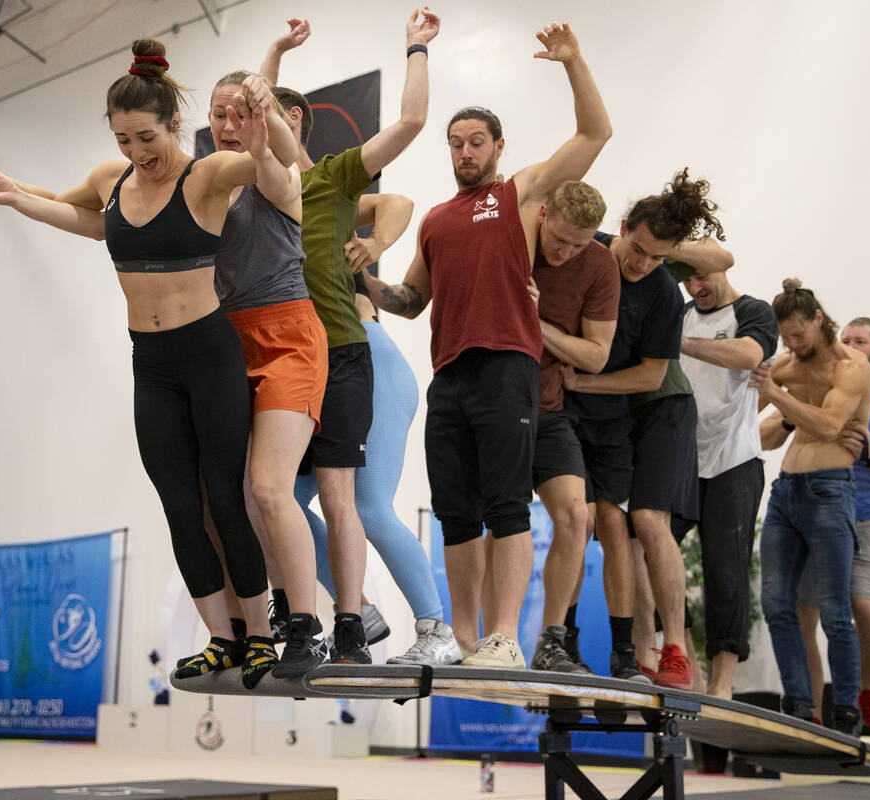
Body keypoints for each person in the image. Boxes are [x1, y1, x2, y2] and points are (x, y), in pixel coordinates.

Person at [0, 41, 297, 687]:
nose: (137, 153)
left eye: (147, 138)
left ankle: (262, 636)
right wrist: (8, 192)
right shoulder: (113, 179)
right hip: (151, 363)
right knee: (178, 505)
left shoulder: (209, 175)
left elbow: (279, 184)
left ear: (174, 126)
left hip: (209, 353)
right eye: (124, 139)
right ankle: (221, 637)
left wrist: (262, 138)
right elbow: (81, 214)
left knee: (225, 499)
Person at [366, 21, 612, 667]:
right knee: (455, 514)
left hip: (508, 363)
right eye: (456, 143)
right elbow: (412, 300)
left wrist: (572, 60)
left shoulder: (519, 193)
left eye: (476, 141)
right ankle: (463, 640)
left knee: (507, 505)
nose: (465, 151)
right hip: (449, 374)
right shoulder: (436, 219)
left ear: (498, 146)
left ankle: (504, 638)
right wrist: (363, 277)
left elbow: (594, 136)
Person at [256, 8, 445, 664]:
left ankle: (430, 629)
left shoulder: (324, 180)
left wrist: (374, 245)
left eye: (267, 118)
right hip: (297, 363)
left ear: (294, 125)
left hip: (360, 354)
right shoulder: (252, 194)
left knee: (363, 505)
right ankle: (351, 608)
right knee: (269, 496)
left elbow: (399, 184)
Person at [560, 168, 727, 689]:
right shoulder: (589, 251)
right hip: (606, 412)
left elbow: (652, 373)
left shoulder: (660, 287)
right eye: (639, 249)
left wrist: (583, 382)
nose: (644, 263)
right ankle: (624, 649)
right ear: (624, 226)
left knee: (647, 524)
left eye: (660, 257)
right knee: (602, 525)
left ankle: (671, 648)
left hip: (657, 406)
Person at [205, 70, 334, 679]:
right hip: (226, 344)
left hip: (287, 338)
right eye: (218, 115)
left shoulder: (276, 178)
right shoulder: (201, 183)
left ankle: (309, 628)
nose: (228, 126)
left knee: (269, 488)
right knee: (230, 499)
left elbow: (276, 165)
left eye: (241, 114)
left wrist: (264, 132)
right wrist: (16, 192)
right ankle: (265, 619)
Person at [764, 317, 870, 737]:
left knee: (864, 609)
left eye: (861, 341)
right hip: (807, 507)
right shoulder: (815, 382)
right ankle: (811, 713)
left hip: (865, 515)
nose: (851, 346)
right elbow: (766, 437)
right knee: (801, 612)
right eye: (847, 339)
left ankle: (867, 698)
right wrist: (785, 406)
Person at [750, 280, 870, 736]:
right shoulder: (789, 364)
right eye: (786, 337)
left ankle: (845, 708)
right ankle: (799, 704)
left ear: (819, 320)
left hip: (830, 490)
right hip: (786, 493)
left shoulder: (851, 367)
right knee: (777, 604)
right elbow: (751, 410)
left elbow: (827, 425)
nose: (793, 345)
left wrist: (777, 395)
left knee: (835, 611)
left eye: (799, 335)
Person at [525, 180, 618, 673]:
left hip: (550, 408)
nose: (564, 252)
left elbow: (597, 356)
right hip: (495, 405)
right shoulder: (516, 237)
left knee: (578, 518)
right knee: (502, 522)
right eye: (559, 239)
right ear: (542, 215)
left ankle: (552, 640)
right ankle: (492, 636)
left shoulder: (600, 263)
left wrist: (538, 322)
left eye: (578, 244)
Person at [674, 263, 777, 700]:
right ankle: (687, 666)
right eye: (688, 281)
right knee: (646, 551)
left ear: (720, 269)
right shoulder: (677, 313)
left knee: (726, 571)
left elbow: (748, 355)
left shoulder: (754, 311)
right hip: (679, 460)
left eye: (703, 278)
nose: (696, 288)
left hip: (734, 460)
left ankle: (722, 684)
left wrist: (678, 343)